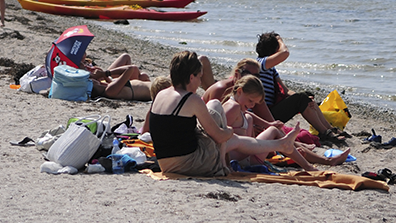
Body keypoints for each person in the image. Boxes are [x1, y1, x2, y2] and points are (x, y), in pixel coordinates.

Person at [148, 51, 302, 177]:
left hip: (165, 163)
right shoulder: (192, 99)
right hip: (189, 164)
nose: (200, 82)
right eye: (200, 77)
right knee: (231, 135)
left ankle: (280, 144)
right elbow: (220, 136)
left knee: (216, 106)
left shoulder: (162, 94)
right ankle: (224, 165)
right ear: (191, 77)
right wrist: (228, 130)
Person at [219, 76, 352, 170]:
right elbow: (221, 138)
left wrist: (268, 124)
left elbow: (248, 115)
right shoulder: (234, 107)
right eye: (250, 101)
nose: (251, 105)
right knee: (276, 133)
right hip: (244, 160)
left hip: (245, 154)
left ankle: (317, 160)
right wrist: (225, 166)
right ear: (240, 91)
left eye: (254, 103)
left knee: (260, 123)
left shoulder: (234, 105)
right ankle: (312, 165)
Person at [254, 32, 349, 143]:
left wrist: (307, 100)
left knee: (305, 96)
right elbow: (285, 53)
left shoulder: (271, 69)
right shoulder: (260, 64)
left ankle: (330, 128)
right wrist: (279, 39)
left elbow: (286, 91)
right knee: (301, 98)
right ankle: (324, 133)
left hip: (271, 111)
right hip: (265, 116)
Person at [86, 53, 154, 101]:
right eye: (91, 80)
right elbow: (130, 69)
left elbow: (109, 83)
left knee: (144, 76)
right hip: (154, 89)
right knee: (144, 76)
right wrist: (105, 73)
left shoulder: (108, 88)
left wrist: (103, 75)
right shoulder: (110, 91)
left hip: (151, 87)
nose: (92, 79)